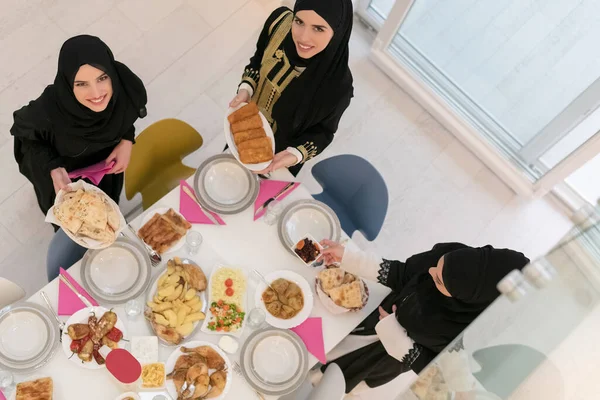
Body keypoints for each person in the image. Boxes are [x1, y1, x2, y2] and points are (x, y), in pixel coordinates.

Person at [11, 35, 147, 281]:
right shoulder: (49, 112)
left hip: (105, 168)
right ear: (67, 84)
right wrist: (52, 167)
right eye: (81, 84)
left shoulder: (123, 87)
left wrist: (127, 139)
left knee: (108, 205)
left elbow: (127, 114)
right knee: (70, 228)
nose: (96, 93)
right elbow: (26, 136)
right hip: (65, 175)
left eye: (102, 78)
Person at [317, 240, 530, 395]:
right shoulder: (453, 255)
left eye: (437, 280)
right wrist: (347, 257)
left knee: (336, 381)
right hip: (375, 318)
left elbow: (443, 375)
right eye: (437, 264)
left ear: (464, 298)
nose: (429, 271)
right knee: (328, 347)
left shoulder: (459, 335)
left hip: (385, 358)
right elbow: (403, 274)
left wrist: (396, 338)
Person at [229, 0, 354, 176]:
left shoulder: (339, 86)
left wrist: (294, 155)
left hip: (280, 157)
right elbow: (258, 59)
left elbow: (324, 133)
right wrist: (246, 89)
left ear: (338, 31)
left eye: (318, 29)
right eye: (299, 21)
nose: (303, 37)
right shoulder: (278, 24)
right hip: (243, 130)